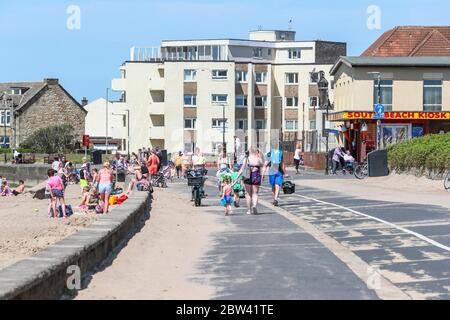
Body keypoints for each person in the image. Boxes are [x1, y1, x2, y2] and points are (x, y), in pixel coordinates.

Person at [232, 146, 264, 215]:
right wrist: (260, 155)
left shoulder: (246, 159)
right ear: (256, 151)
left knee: (248, 194)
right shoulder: (258, 158)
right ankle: (254, 205)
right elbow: (262, 164)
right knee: (255, 193)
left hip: (247, 176)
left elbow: (241, 169)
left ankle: (249, 210)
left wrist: (236, 179)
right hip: (256, 175)